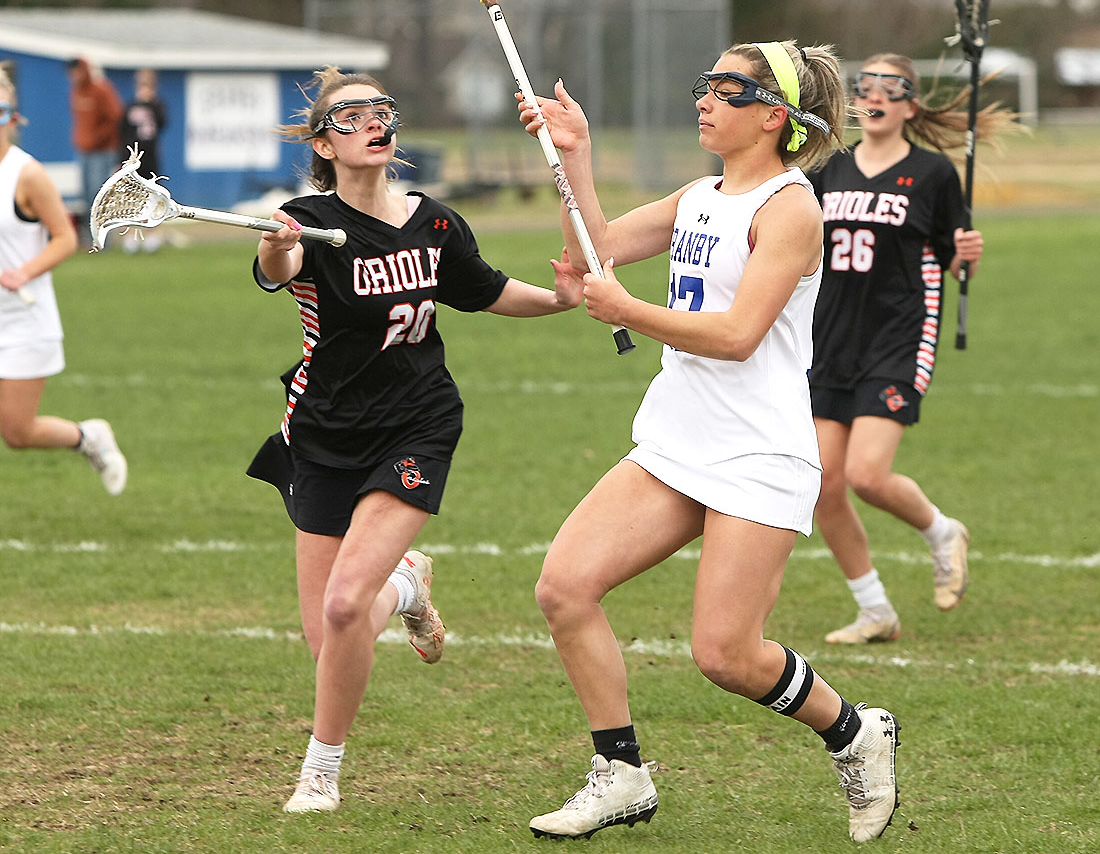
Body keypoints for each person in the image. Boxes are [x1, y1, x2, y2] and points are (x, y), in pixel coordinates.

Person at [516, 41, 901, 844]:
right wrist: (574, 156)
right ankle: (621, 773)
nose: (705, 99)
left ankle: (856, 731)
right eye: (705, 84)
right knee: (565, 588)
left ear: (775, 117)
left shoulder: (790, 210)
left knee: (727, 656)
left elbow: (735, 335)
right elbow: (600, 248)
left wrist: (629, 311)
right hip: (677, 436)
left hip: (759, 449)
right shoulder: (701, 194)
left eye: (726, 88)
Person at [244, 66, 584, 815]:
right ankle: (406, 584)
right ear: (324, 144)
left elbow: (487, 291)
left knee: (340, 611)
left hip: (417, 423)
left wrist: (561, 301)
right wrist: (278, 243)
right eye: (349, 115)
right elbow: (280, 268)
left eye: (380, 110)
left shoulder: (433, 222)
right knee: (328, 635)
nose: (371, 121)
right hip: (323, 433)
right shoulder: (302, 218)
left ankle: (319, 774)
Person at [808, 54, 1014, 645]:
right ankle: (875, 610)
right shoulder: (829, 167)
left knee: (868, 475)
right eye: (863, 85)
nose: (874, 94)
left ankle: (943, 532)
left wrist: (965, 255)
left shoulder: (932, 175)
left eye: (888, 87)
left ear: (909, 106)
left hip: (899, 338)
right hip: (829, 341)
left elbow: (953, 258)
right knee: (824, 483)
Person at [0, 66, 127, 495]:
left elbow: (65, 237)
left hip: (23, 321)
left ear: (13, 118)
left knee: (17, 433)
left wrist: (23, 272)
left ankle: (87, 437)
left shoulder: (27, 175)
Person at [66, 57, 123, 238]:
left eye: (78, 71)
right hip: (84, 152)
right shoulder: (76, 91)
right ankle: (90, 238)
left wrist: (96, 139)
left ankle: (104, 238)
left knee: (99, 195)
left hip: (102, 151)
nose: (75, 76)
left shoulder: (101, 90)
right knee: (85, 196)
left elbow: (115, 118)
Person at [118, 68, 168, 252]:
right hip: (133, 157)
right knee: (130, 196)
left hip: (151, 157)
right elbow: (123, 133)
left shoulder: (158, 105)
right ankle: (130, 235)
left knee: (154, 195)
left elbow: (163, 123)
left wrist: (150, 103)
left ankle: (153, 234)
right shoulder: (130, 106)